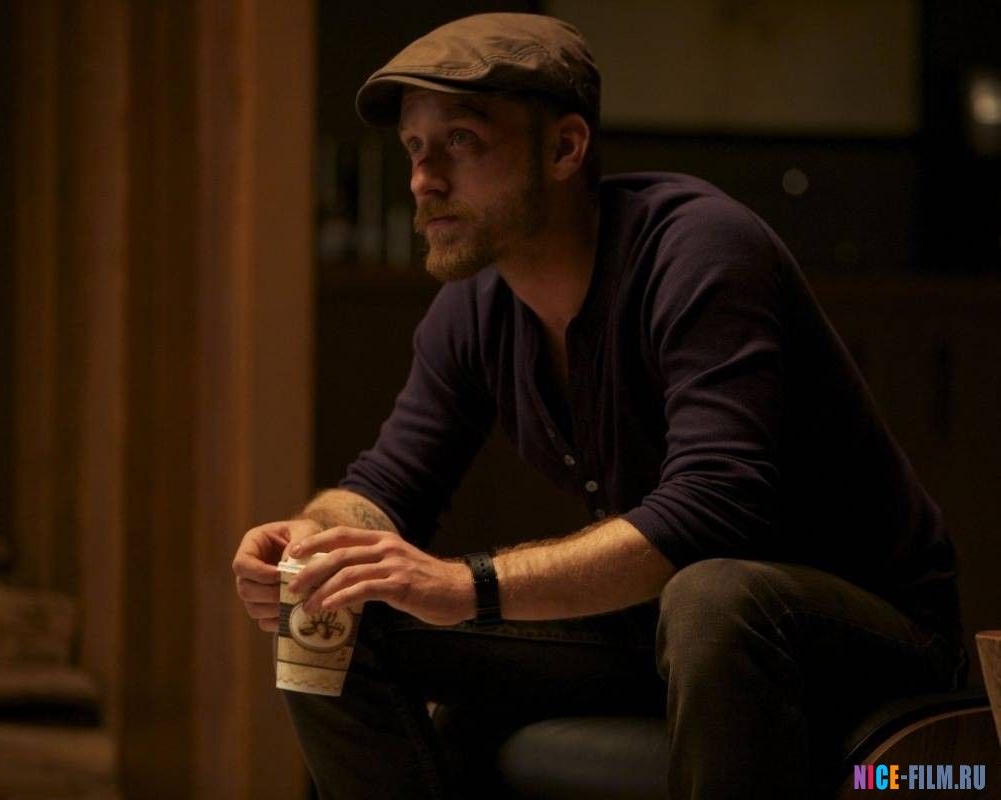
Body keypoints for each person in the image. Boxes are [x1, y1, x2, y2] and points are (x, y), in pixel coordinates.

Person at [232, 13, 967, 800]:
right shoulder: (475, 306)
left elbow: (709, 512)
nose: (424, 179)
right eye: (415, 147)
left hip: (859, 633)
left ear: (564, 148)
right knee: (332, 609)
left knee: (712, 592)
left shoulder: (697, 250)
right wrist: (313, 542)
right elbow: (384, 485)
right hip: (668, 632)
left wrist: (463, 585)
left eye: (461, 141)